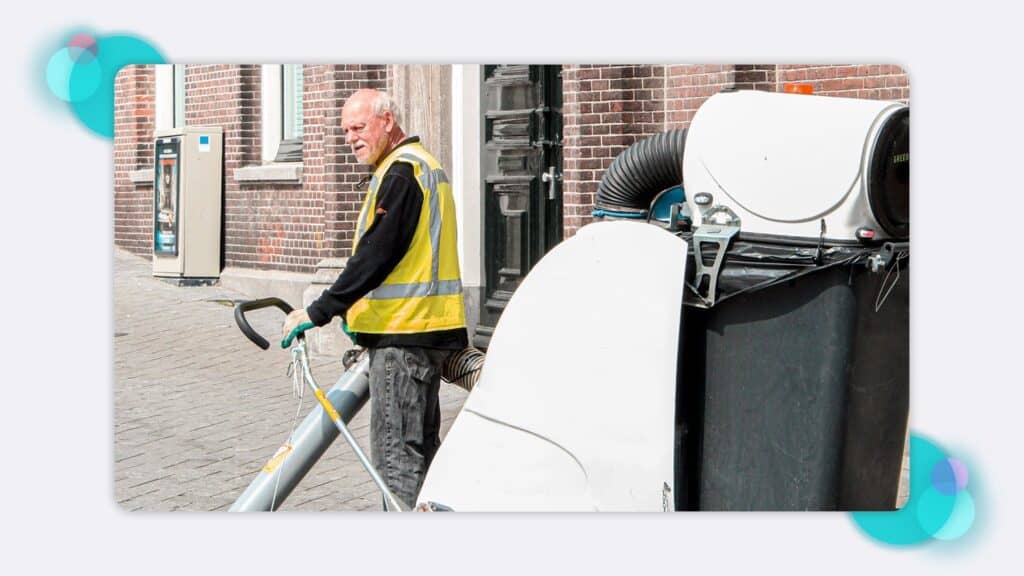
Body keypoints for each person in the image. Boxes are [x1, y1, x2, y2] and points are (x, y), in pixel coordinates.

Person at [281, 88, 468, 509]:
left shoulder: (401, 173)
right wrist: (352, 309)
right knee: (420, 451)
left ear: (387, 120)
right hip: (422, 331)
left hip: (402, 338)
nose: (351, 137)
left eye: (359, 127)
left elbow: (377, 253)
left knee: (396, 459)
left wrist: (320, 309)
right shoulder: (420, 167)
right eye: (346, 130)